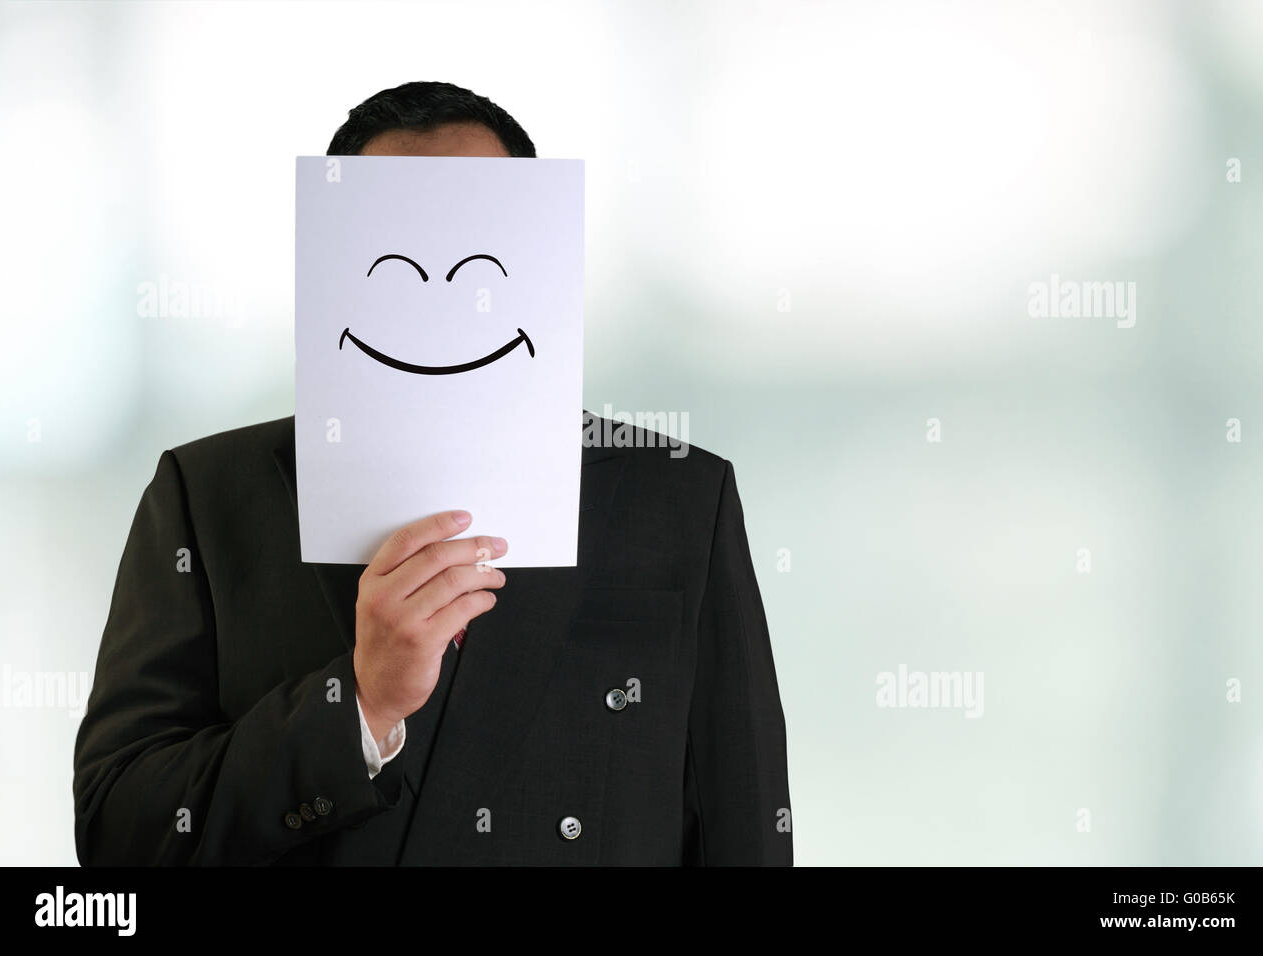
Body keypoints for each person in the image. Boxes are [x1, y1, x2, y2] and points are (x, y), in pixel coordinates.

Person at [73, 81, 792, 865]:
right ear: (334, 269)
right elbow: (119, 832)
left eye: (479, 253)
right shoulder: (209, 497)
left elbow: (744, 830)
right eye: (397, 256)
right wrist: (361, 705)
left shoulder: (678, 498)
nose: (441, 294)